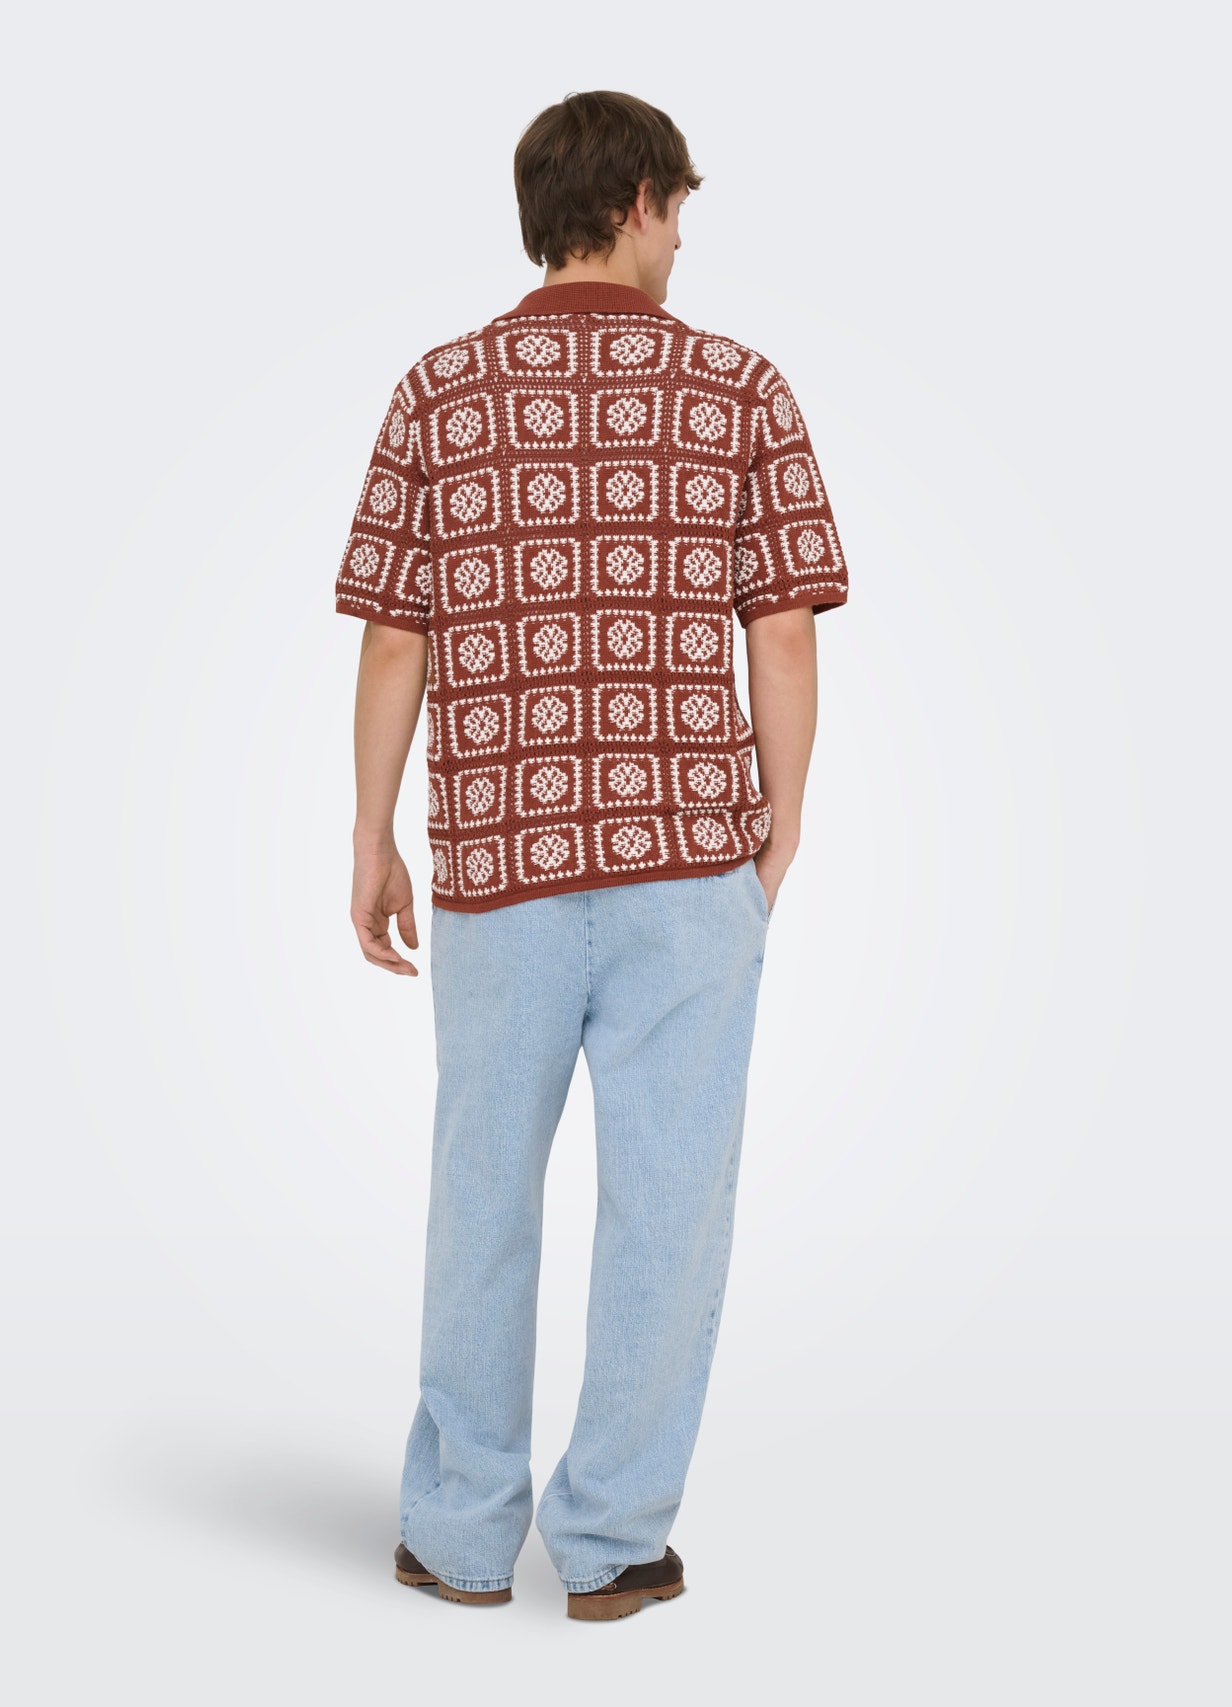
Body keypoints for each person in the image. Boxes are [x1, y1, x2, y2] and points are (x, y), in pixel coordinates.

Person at [335, 90, 849, 1621]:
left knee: (479, 1193)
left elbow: (395, 636)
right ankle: (615, 1543)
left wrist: (371, 833)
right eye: (677, 211)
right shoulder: (739, 389)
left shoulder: (438, 391)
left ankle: (459, 1533)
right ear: (635, 201)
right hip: (687, 861)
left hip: (498, 864)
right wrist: (781, 826)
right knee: (669, 1207)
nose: (681, 242)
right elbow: (782, 632)